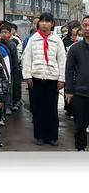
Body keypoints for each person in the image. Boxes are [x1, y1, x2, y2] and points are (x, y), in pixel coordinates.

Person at [22, 12, 66, 146]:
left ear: (52, 24)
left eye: (48, 21)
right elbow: (27, 59)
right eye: (42, 21)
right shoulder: (33, 39)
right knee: (38, 109)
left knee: (51, 109)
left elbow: (62, 60)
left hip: (53, 79)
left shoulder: (57, 40)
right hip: (36, 78)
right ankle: (40, 136)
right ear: (38, 23)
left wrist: (62, 79)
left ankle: (52, 136)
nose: (44, 24)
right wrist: (28, 76)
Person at [64, 15, 89, 151]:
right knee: (80, 126)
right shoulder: (75, 48)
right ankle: (80, 150)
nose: (87, 28)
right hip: (80, 93)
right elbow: (69, 70)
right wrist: (68, 90)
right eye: (85, 25)